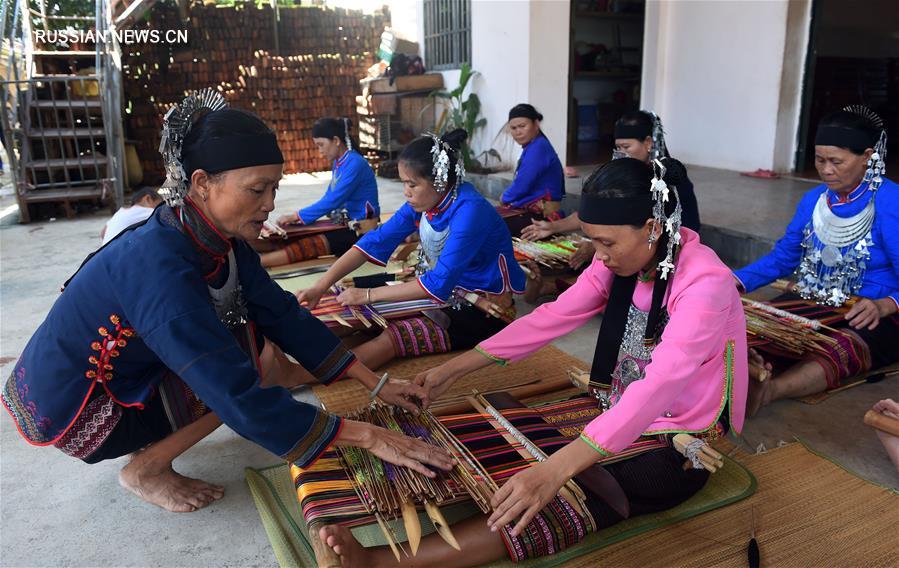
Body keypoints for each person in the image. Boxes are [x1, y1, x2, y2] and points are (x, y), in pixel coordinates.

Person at [0, 91, 451, 514]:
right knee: (247, 371)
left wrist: (376, 385)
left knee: (251, 345)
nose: (270, 205)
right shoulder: (158, 263)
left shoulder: (216, 239)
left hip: (119, 376)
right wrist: (368, 437)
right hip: (77, 407)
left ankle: (150, 439)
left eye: (274, 189)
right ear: (201, 183)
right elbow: (234, 394)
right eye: (257, 190)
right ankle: (145, 469)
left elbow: (283, 315)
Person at [316, 156, 748, 566]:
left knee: (567, 495)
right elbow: (551, 317)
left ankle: (381, 562)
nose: (596, 254)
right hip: (617, 403)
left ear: (652, 228)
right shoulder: (622, 260)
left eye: (606, 242)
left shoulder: (704, 285)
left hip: (678, 437)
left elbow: (659, 386)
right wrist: (452, 369)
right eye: (592, 239)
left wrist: (552, 472)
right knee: (509, 438)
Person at [297, 129, 526, 371]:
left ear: (439, 180)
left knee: (394, 336)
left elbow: (438, 283)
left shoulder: (470, 211)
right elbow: (374, 241)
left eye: (412, 184)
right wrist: (319, 286)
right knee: (351, 305)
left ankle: (298, 374)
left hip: (483, 310)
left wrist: (368, 295)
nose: (405, 191)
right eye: (404, 182)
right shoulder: (425, 203)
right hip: (447, 293)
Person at [733, 106, 899, 415]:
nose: (826, 170)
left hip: (874, 311)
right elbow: (783, 259)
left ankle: (770, 389)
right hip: (817, 296)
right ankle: (750, 367)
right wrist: (733, 282)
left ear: (866, 156)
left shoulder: (890, 203)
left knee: (841, 347)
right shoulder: (814, 200)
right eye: (819, 160)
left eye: (836, 161)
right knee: (753, 327)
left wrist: (885, 305)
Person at [256, 117, 380, 267]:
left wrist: (298, 215)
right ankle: (249, 251)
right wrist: (301, 219)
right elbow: (330, 196)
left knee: (308, 244)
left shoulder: (355, 163)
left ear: (335, 140)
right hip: (346, 223)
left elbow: (333, 200)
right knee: (289, 235)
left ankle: (256, 263)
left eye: (321, 145)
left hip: (361, 231)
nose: (320, 151)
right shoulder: (340, 162)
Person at [499, 104, 566, 238]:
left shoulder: (538, 148)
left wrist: (504, 197)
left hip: (541, 218)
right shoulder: (534, 146)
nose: (518, 131)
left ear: (536, 124)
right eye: (513, 128)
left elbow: (522, 185)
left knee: (487, 223)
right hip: (529, 212)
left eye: (522, 126)